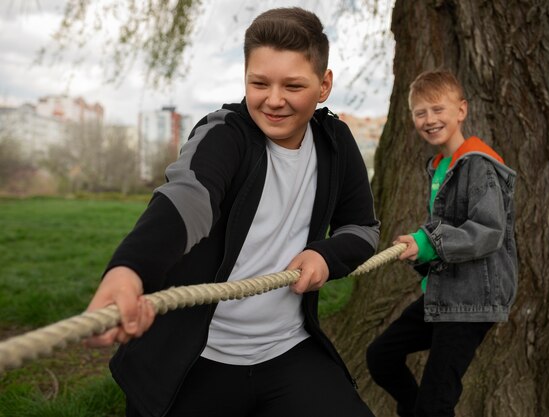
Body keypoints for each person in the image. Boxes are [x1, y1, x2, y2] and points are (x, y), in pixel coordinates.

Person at [85, 7, 380, 417]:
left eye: (293, 85)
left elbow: (363, 229)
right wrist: (128, 270)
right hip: (197, 357)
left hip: (288, 349)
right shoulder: (223, 133)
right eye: (259, 83)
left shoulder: (336, 142)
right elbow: (186, 201)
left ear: (324, 84)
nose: (273, 100)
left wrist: (325, 256)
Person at [366, 69, 518, 417]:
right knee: (381, 357)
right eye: (421, 112)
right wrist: (419, 250)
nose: (429, 119)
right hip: (444, 294)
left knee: (436, 402)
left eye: (438, 109)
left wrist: (430, 243)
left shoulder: (477, 165)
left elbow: (488, 231)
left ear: (461, 110)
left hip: (471, 302)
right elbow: (445, 231)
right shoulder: (439, 166)